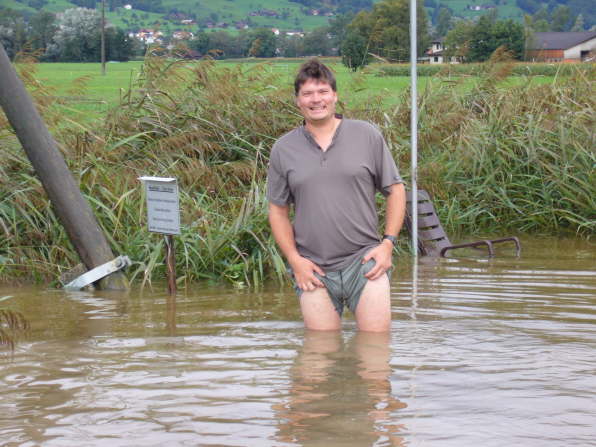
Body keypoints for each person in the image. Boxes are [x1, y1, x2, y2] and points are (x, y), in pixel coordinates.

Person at [267, 59, 406, 332]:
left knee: (375, 359)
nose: (316, 100)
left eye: (322, 92)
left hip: (365, 262)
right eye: (307, 93)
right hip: (312, 268)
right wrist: (295, 261)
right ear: (297, 101)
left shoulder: (366, 135)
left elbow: (396, 189)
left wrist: (388, 243)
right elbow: (277, 210)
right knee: (319, 360)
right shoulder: (283, 148)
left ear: (335, 96)